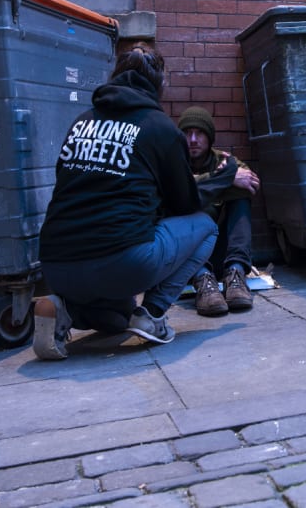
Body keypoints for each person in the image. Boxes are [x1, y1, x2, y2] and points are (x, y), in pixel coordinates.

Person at [33, 45, 218, 360]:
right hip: (123, 261)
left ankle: (62, 309)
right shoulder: (160, 128)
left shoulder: (81, 122)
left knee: (117, 321)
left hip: (55, 263)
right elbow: (184, 204)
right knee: (205, 226)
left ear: (114, 77)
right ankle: (154, 314)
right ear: (158, 86)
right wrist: (221, 181)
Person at [178, 106, 261, 316]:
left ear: (210, 136)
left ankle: (236, 273)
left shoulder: (226, 161)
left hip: (220, 251)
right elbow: (175, 190)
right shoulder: (174, 163)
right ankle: (203, 281)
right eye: (187, 133)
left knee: (240, 197)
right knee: (186, 202)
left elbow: (251, 184)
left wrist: (207, 186)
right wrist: (223, 180)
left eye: (200, 133)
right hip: (187, 255)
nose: (193, 139)